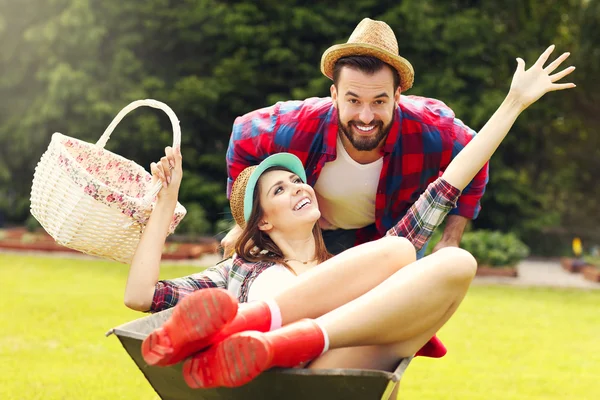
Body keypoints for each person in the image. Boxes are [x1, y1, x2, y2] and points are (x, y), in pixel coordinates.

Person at [124, 45, 575, 389]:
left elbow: (452, 180)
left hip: (326, 362)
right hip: (269, 376)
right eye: (279, 189)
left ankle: (269, 334)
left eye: (300, 180)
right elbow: (142, 296)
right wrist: (166, 202)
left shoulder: (352, 271)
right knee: (399, 250)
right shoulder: (238, 269)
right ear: (262, 221)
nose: (300, 186)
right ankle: (260, 327)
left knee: (452, 261)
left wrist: (514, 103)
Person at [221, 18, 491, 258]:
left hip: (395, 235)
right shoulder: (295, 125)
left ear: (397, 97)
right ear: (334, 95)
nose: (365, 116)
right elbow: (241, 137)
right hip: (313, 231)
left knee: (399, 310)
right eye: (353, 100)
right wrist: (245, 224)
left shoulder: (432, 129)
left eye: (378, 101)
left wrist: (451, 238)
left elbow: (477, 155)